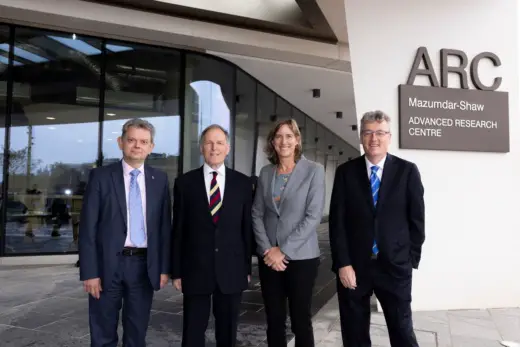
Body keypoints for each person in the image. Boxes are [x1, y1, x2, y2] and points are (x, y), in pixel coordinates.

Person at [329, 110, 425, 347]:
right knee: (354, 334)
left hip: (394, 267)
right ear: (361, 137)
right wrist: (343, 263)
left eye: (380, 132)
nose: (374, 138)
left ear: (389, 137)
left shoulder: (407, 171)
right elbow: (337, 222)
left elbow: (417, 221)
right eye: (369, 132)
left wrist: (408, 260)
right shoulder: (345, 172)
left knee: (402, 331)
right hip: (354, 268)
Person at [79, 118, 171, 347]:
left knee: (136, 334)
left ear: (151, 147)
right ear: (121, 142)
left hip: (143, 267)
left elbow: (163, 228)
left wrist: (163, 267)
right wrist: (89, 272)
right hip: (107, 266)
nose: (137, 146)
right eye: (131, 140)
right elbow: (88, 227)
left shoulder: (159, 180)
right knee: (103, 334)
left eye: (143, 141)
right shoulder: (100, 176)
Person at [171, 124, 253, 347]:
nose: (213, 148)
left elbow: (246, 230)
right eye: (208, 142)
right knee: (193, 332)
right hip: (195, 269)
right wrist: (176, 271)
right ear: (201, 148)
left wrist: (246, 268)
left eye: (219, 143)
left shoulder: (244, 184)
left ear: (227, 148)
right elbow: (178, 229)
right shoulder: (185, 183)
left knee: (227, 333)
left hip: (232, 270)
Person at [252, 119, 326, 347]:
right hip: (269, 259)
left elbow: (313, 216)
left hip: (301, 258)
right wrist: (267, 249)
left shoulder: (314, 171)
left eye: (289, 136)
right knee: (274, 319)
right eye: (279, 136)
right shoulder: (265, 173)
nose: (284, 141)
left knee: (300, 320)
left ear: (297, 140)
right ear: (273, 142)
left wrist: (283, 251)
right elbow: (256, 213)